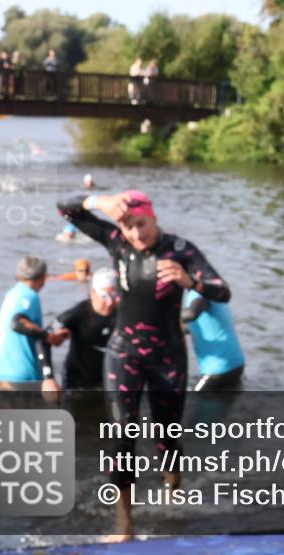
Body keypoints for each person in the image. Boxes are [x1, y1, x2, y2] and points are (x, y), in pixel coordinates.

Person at [57, 189, 230, 541]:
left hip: (167, 356)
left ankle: (173, 490)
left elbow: (222, 291)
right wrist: (98, 202)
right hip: (124, 353)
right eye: (129, 226)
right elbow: (65, 208)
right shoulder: (117, 242)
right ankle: (125, 524)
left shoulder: (180, 250)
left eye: (142, 224)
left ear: (154, 218)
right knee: (123, 436)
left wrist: (189, 281)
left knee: (167, 437)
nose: (136, 233)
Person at [0, 256, 68, 401]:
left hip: (2, 374)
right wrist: (49, 337)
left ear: (19, 274)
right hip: (23, 377)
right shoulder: (29, 296)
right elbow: (18, 323)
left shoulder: (12, 293)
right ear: (44, 277)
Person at [50, 268, 117, 390]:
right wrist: (48, 378)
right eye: (104, 296)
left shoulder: (123, 313)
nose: (110, 302)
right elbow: (43, 339)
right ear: (93, 293)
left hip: (110, 382)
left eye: (114, 295)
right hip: (77, 381)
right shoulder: (79, 313)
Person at [181, 289, 245, 391]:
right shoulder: (214, 292)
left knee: (192, 398)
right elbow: (200, 327)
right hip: (237, 364)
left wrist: (164, 315)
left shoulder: (199, 293)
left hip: (218, 369)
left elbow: (192, 314)